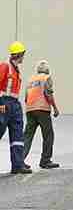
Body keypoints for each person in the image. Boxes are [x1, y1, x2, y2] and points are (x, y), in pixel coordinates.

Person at [0, 42, 31, 174]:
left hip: (15, 104)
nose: (24, 57)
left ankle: (18, 165)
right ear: (18, 54)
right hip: (4, 103)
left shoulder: (16, 68)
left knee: (18, 135)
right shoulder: (5, 66)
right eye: (23, 54)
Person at [24, 60, 60, 169]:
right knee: (48, 135)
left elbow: (26, 98)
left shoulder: (30, 80)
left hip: (30, 110)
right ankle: (45, 160)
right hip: (42, 110)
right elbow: (48, 94)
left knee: (27, 136)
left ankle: (19, 160)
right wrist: (55, 108)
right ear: (47, 70)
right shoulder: (46, 78)